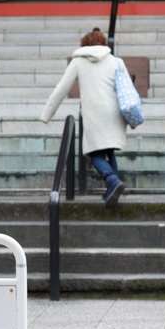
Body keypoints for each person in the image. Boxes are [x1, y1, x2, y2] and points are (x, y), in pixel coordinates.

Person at [40, 28, 128, 207]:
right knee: (109, 151)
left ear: (84, 44)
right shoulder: (115, 61)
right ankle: (111, 192)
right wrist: (132, 117)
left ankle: (112, 181)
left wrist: (46, 114)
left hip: (95, 114)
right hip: (115, 113)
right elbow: (128, 91)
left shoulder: (78, 61)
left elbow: (61, 89)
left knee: (95, 154)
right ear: (103, 43)